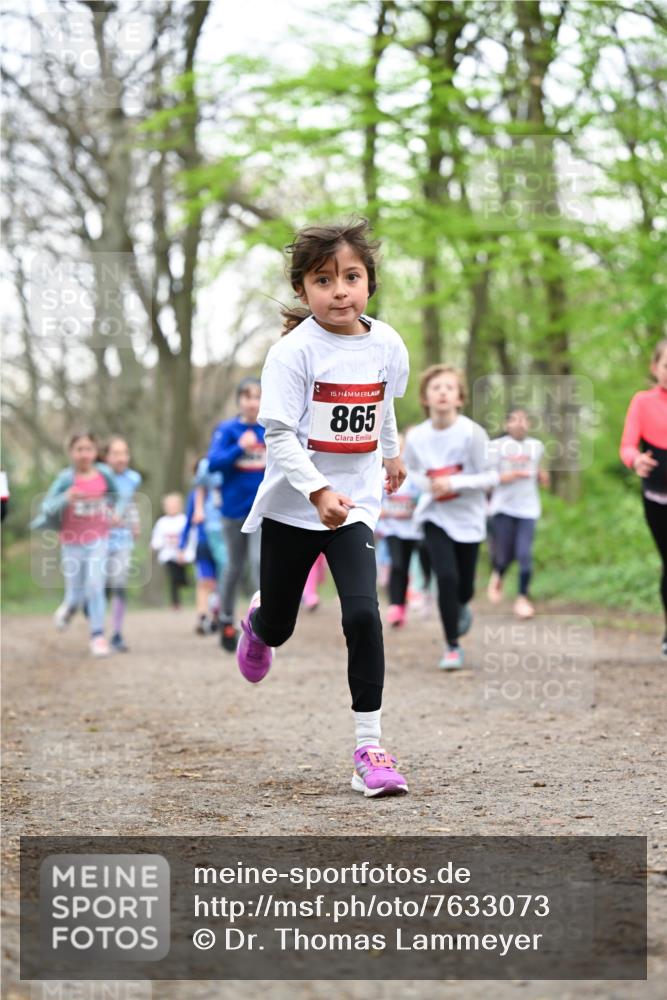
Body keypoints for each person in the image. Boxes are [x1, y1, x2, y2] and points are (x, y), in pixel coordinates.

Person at [237, 218, 410, 798]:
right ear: (303, 289)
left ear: (370, 283)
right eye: (324, 279)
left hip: (355, 503)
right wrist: (316, 492)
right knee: (282, 626)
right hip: (294, 506)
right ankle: (259, 622)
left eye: (352, 277)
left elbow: (382, 404)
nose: (340, 290)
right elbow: (280, 436)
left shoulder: (387, 343)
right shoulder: (292, 354)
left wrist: (390, 453)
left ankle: (369, 746)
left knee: (362, 614)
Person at [404, 365, 499, 671]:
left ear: (460, 397)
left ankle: (461, 605)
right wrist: (430, 485)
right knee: (445, 577)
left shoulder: (472, 433)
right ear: (425, 398)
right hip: (435, 514)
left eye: (449, 387)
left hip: (469, 518)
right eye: (435, 388)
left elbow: (490, 477)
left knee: (464, 587)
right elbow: (412, 473)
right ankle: (452, 646)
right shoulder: (417, 437)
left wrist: (454, 483)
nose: (442, 392)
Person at [31, 432, 119, 657]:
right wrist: (66, 497)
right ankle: (69, 609)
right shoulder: (65, 479)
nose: (84, 454)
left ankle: (98, 636)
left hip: (99, 538)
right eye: (79, 449)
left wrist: (114, 512)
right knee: (75, 594)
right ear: (71, 452)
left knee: (95, 585)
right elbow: (46, 507)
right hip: (71, 542)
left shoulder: (105, 474)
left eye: (88, 449)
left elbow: (117, 496)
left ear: (95, 451)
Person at [207, 378, 266, 651]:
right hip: (233, 510)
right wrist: (239, 448)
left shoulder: (270, 428)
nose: (252, 402)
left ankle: (262, 623)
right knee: (233, 566)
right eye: (247, 396)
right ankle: (227, 620)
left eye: (257, 396)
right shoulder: (228, 429)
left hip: (263, 510)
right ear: (239, 401)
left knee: (257, 562)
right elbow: (213, 464)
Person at [620, 338, 667, 658]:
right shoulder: (642, 401)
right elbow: (626, 445)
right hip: (657, 496)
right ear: (655, 368)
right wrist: (635, 460)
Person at [486, 409, 549, 619]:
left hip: (528, 508)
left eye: (524, 419)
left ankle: (522, 599)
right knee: (504, 555)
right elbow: (487, 476)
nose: (520, 423)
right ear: (507, 424)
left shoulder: (536, 446)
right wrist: (509, 476)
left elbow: (538, 468)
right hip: (502, 507)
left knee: (524, 554)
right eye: (514, 419)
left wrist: (542, 476)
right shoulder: (496, 447)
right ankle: (499, 573)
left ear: (528, 424)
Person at [375, 434, 423, 628]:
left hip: (412, 530)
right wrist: (385, 513)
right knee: (397, 564)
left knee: (405, 567)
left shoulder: (414, 475)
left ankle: (402, 606)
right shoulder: (380, 474)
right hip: (391, 529)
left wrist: (413, 509)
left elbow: (422, 500)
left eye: (402, 448)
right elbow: (374, 503)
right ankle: (395, 605)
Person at [103, 436, 142, 652]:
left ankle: (116, 633)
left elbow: (130, 502)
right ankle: (97, 628)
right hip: (97, 539)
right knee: (99, 585)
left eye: (124, 453)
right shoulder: (99, 476)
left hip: (122, 538)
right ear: (106, 456)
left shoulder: (133, 478)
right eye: (116, 453)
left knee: (119, 582)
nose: (121, 458)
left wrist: (135, 523)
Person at [179, 467, 219, 635]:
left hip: (222, 542)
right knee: (205, 581)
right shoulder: (195, 496)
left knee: (217, 582)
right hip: (203, 543)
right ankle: (203, 616)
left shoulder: (222, 489)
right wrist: (182, 546)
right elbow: (189, 521)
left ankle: (218, 617)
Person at [151, 493, 192, 609]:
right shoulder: (162, 522)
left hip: (182, 555)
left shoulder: (184, 520)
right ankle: (175, 602)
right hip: (168, 555)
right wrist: (154, 546)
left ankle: (185, 582)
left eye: (174, 505)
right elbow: (157, 538)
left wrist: (184, 552)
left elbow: (190, 537)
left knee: (181, 577)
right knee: (173, 577)